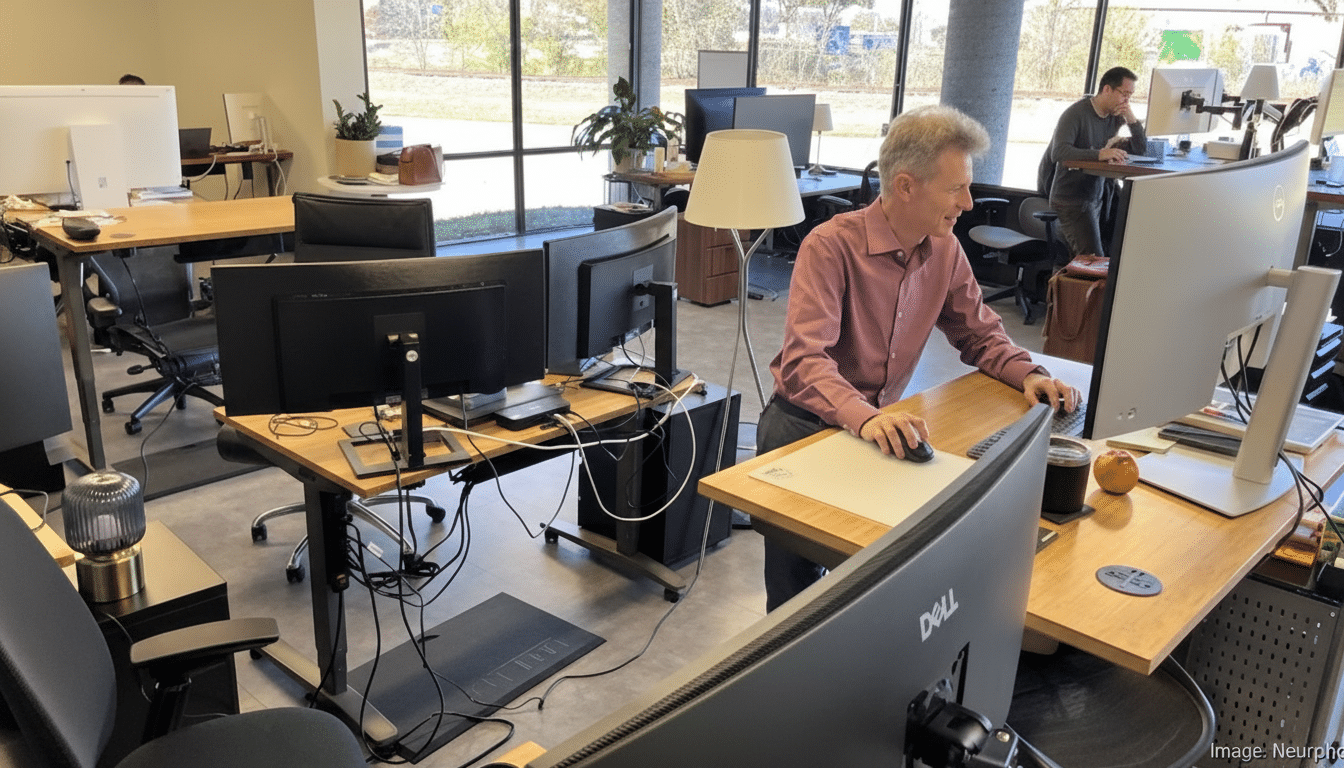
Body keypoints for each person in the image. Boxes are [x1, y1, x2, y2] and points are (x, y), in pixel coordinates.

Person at [756, 104, 1080, 612]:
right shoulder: (831, 247)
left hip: (874, 428)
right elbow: (805, 363)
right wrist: (866, 420)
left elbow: (980, 335)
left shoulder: (945, 249)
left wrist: (1029, 374)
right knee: (795, 600)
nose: (968, 204)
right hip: (805, 426)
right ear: (905, 186)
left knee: (863, 582)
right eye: (956, 189)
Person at [1041, 66, 1146, 259]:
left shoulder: (1115, 116)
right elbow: (1059, 153)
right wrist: (1100, 154)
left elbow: (1141, 149)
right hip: (1071, 199)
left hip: (1095, 197)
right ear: (1107, 89)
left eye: (1130, 96)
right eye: (1124, 94)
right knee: (1093, 260)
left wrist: (1131, 119)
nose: (1127, 101)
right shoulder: (1076, 114)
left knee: (1114, 253)